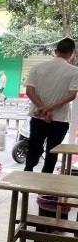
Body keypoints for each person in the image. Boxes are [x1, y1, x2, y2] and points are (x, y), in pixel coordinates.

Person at [24, 38, 78, 173]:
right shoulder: (75, 71)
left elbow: (29, 91)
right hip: (60, 119)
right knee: (52, 153)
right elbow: (72, 95)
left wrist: (43, 109)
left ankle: (26, 175)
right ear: (72, 53)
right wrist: (49, 109)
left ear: (55, 51)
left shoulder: (37, 67)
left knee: (33, 149)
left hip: (38, 116)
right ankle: (45, 181)